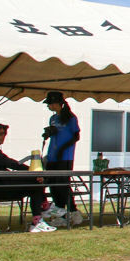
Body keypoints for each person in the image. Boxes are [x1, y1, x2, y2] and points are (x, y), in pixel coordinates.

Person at [0, 122, 54, 233]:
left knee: (35, 182)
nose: (3, 137)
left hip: (0, 186)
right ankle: (42, 211)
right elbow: (10, 163)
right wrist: (33, 172)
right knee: (36, 183)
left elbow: (10, 164)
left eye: (4, 134)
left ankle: (42, 211)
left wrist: (33, 173)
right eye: (0, 134)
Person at [41, 90, 83, 226]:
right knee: (53, 185)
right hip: (52, 156)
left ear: (58, 104)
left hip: (65, 157)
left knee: (63, 185)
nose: (49, 106)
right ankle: (60, 212)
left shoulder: (70, 118)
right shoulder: (53, 118)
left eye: (50, 104)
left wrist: (63, 148)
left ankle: (73, 211)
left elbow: (76, 136)